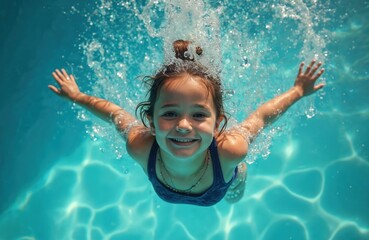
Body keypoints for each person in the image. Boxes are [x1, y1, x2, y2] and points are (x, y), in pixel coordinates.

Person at [48, 40, 325, 206]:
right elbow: (114, 114)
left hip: (224, 178)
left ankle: (239, 176)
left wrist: (298, 91)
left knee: (237, 188)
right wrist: (77, 96)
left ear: (218, 125)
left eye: (199, 115)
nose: (183, 125)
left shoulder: (230, 150)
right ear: (151, 122)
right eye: (169, 114)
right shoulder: (141, 147)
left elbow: (261, 117)